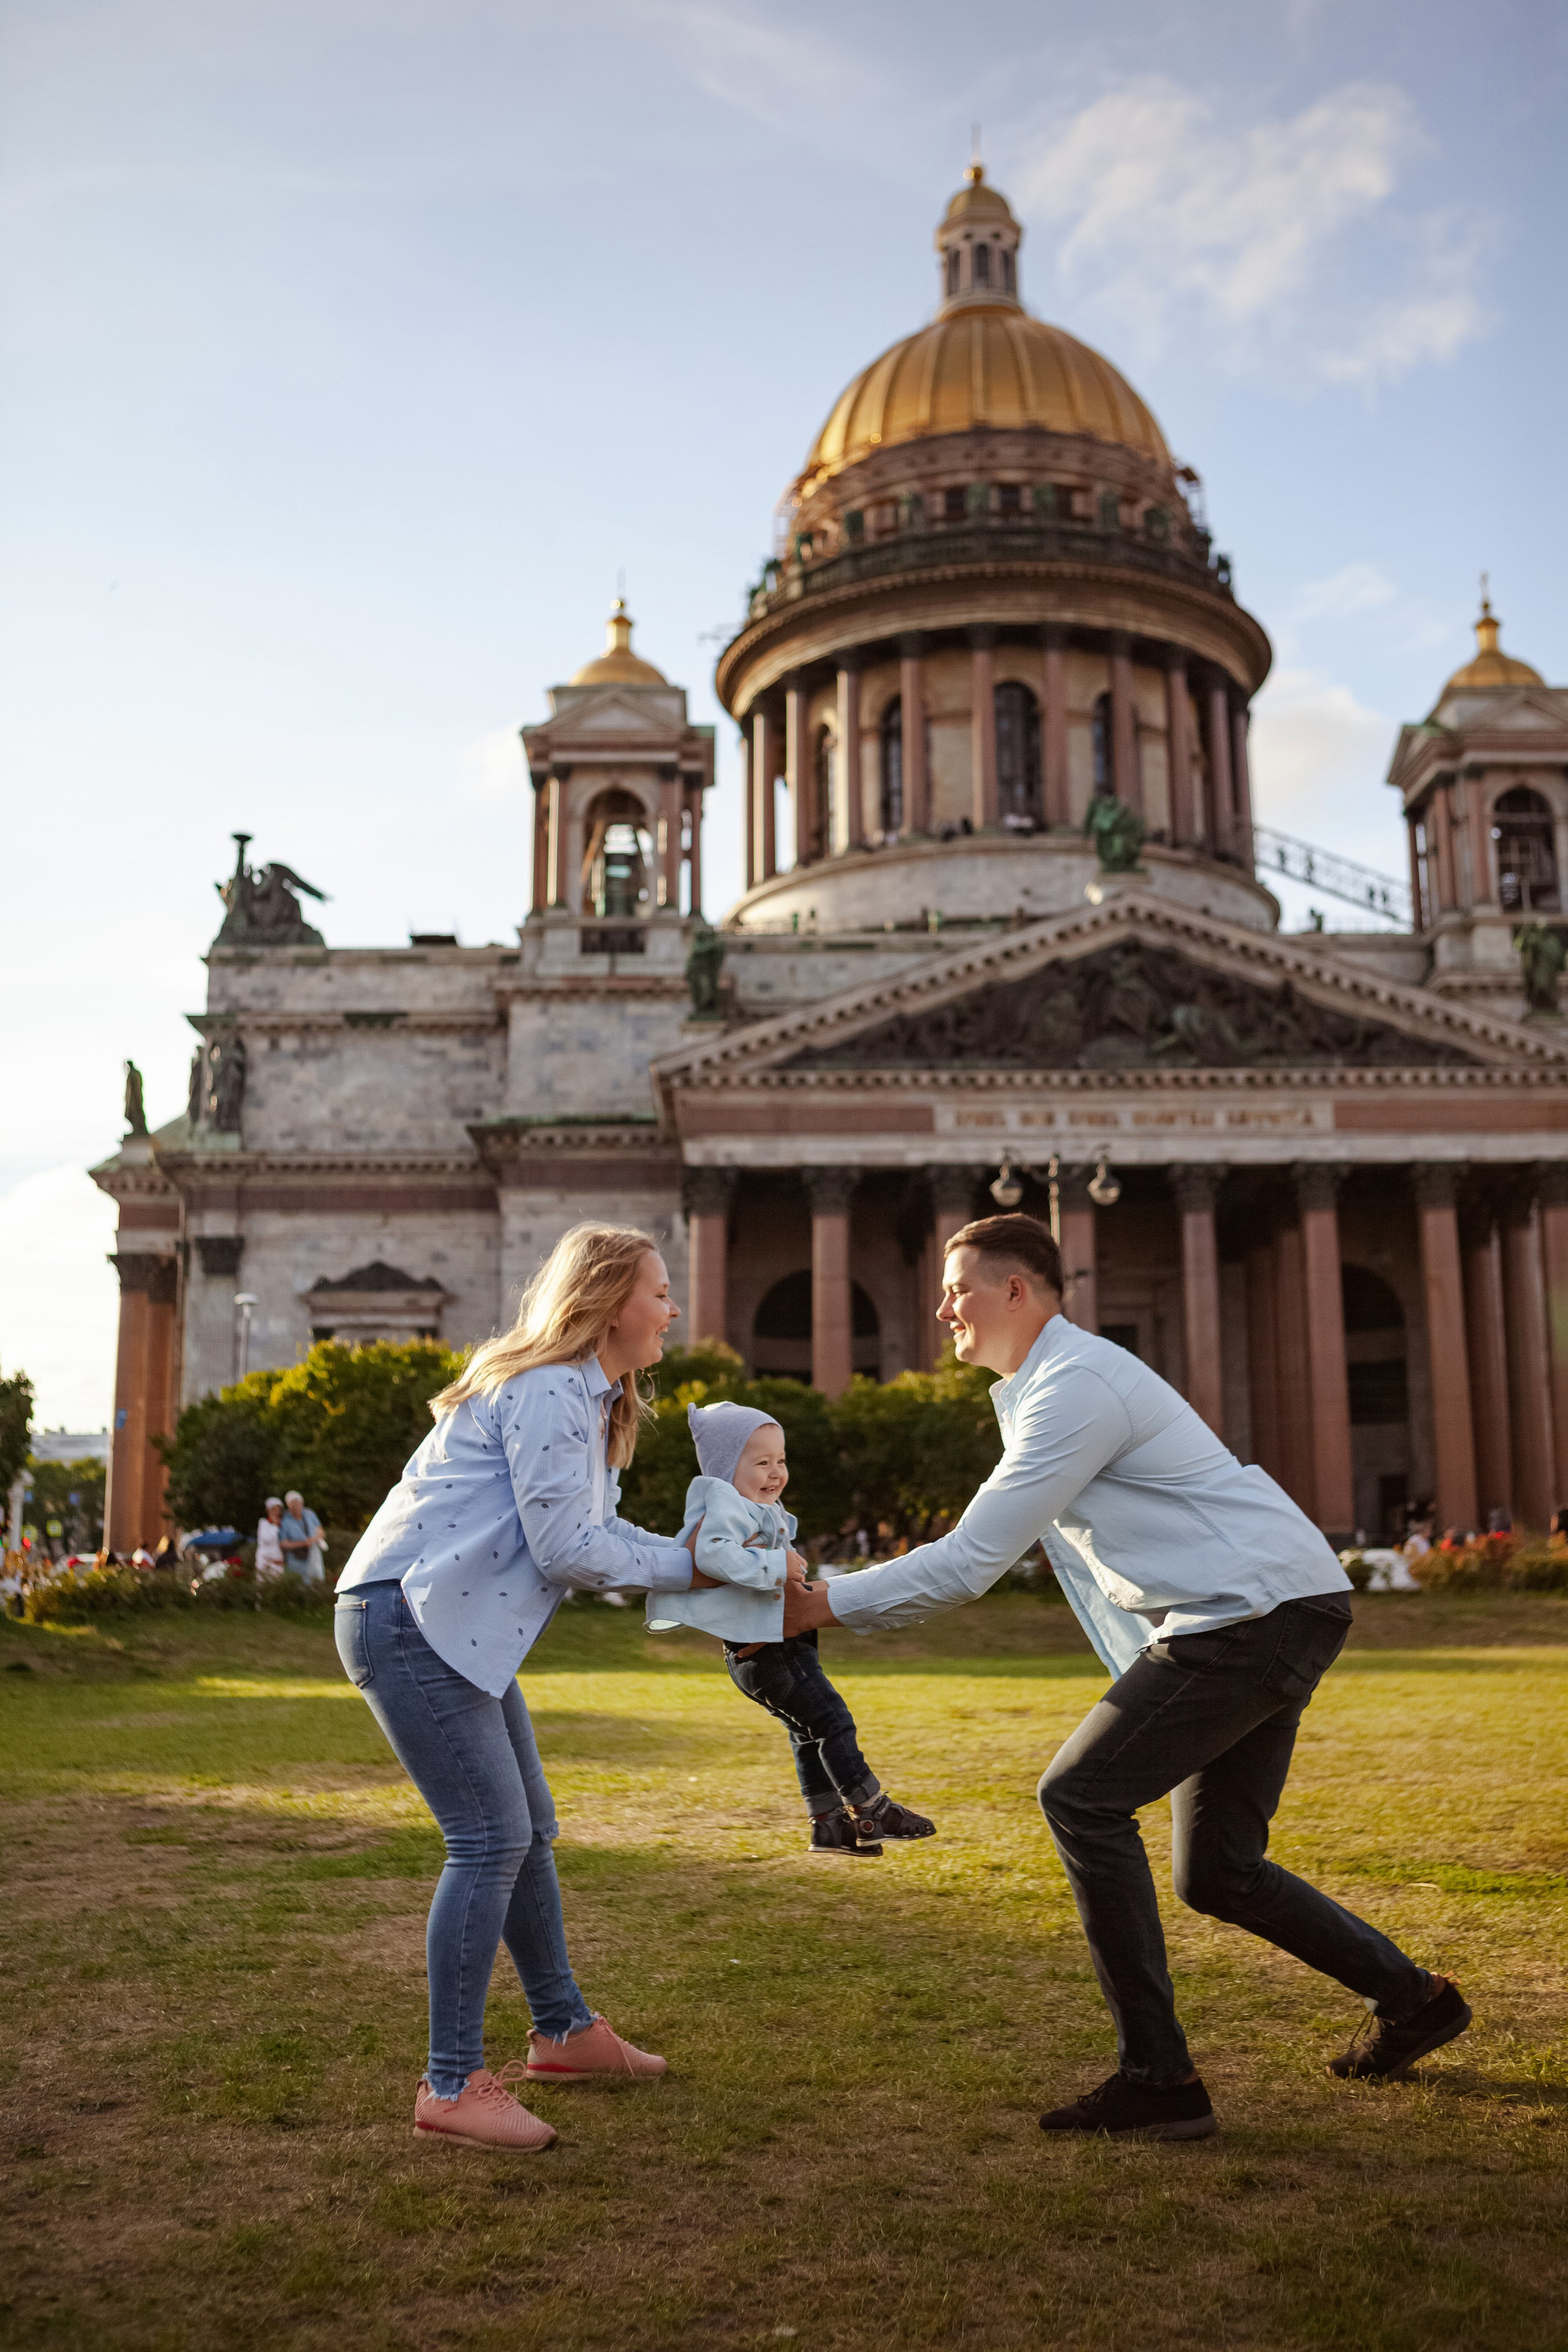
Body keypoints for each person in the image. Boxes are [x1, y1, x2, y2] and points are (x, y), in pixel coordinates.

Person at [783, 1213, 1471, 2142]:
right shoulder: (1051, 1387)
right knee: (1217, 1872)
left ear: (1017, 1291)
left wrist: (820, 1604)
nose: (941, 1305)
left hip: (1250, 1615)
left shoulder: (1074, 1387)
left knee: (1079, 1797)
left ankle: (1160, 2078)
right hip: (1267, 1608)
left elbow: (971, 1559)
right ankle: (1415, 1999)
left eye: (960, 1287)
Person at [334, 1223, 700, 2155]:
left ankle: (564, 2032)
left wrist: (700, 1560)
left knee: (527, 1827)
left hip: (450, 1625)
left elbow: (593, 1535)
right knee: (490, 1836)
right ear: (612, 1301)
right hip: (410, 1616)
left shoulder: (588, 1398)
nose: (673, 1308)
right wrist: (699, 1567)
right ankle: (451, 2084)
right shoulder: (545, 1389)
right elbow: (570, 1549)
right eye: (660, 1291)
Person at [647, 1401, 935, 1857]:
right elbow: (712, 1554)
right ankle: (870, 1808)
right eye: (761, 1463)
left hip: (769, 1651)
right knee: (832, 1720)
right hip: (770, 1653)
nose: (775, 1472)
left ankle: (829, 1825)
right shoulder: (723, 1501)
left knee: (808, 1731)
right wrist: (773, 1563)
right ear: (726, 1469)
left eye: (780, 1461)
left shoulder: (757, 1506)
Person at [279, 1490, 325, 1583]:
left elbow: (321, 1532)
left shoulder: (310, 1514)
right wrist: (303, 1544)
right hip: (297, 1558)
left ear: (302, 1503)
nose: (296, 1506)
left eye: (298, 1503)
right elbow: (283, 1543)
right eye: (292, 1504)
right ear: (288, 1506)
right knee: (301, 1585)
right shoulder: (285, 1520)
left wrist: (312, 1540)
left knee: (317, 1581)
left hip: (314, 1554)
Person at [255, 1498, 286, 1580]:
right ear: (268, 1510)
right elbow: (267, 1539)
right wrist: (275, 1526)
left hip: (279, 1563)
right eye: (273, 1509)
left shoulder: (283, 1523)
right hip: (266, 1562)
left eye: (278, 1509)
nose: (276, 1511)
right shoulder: (264, 1523)